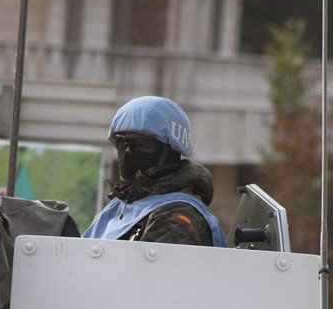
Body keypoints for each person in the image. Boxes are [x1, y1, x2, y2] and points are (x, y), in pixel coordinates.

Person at [83, 96, 226, 247]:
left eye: (142, 144)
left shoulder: (178, 216)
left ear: (170, 152)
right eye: (121, 142)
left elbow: (144, 269)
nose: (127, 151)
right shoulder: (119, 206)